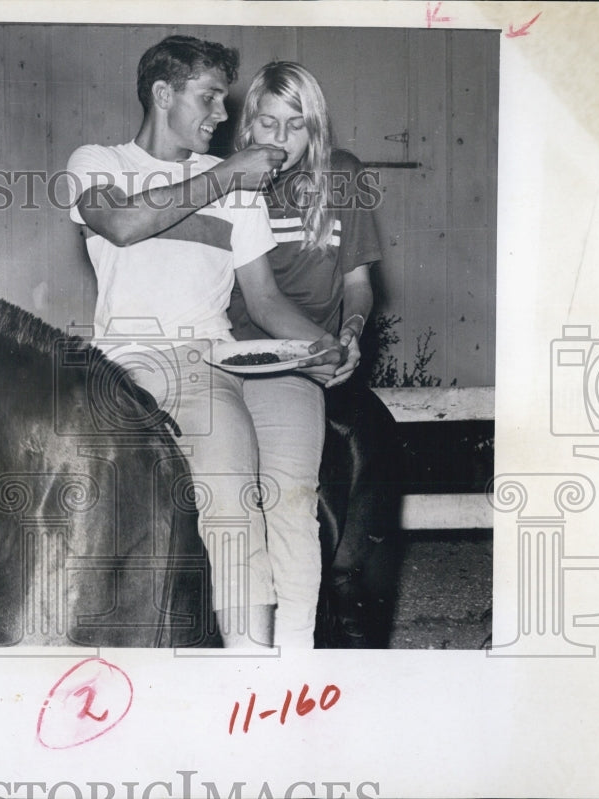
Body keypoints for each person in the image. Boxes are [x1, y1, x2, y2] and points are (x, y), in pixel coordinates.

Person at [65, 36, 345, 648]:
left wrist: (327, 345)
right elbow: (121, 222)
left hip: (204, 367)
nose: (223, 115)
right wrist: (224, 175)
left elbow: (266, 300)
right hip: (116, 370)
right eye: (210, 98)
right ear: (164, 94)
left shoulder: (237, 187)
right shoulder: (98, 160)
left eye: (223, 101)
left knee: (234, 511)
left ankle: (253, 665)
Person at [228, 61, 401, 647]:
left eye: (295, 125)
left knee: (326, 477)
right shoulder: (231, 180)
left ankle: (327, 622)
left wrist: (350, 334)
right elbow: (254, 298)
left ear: (315, 129)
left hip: (320, 356)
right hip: (248, 354)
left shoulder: (343, 176)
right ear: (248, 123)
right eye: (267, 122)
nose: (279, 139)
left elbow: (357, 281)